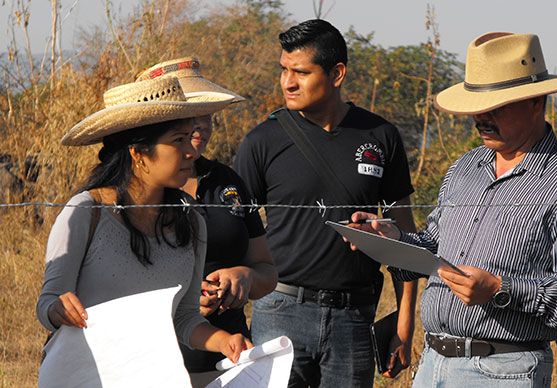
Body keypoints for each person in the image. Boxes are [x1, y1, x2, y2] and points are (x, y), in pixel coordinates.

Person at [347, 32, 557, 387]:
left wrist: (501, 288)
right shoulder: (465, 168)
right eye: (476, 108)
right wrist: (393, 237)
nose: (481, 118)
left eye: (495, 108)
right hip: (434, 363)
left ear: (535, 102)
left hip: (504, 370)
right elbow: (436, 246)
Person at [234, 19, 417, 387]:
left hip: (354, 319)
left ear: (337, 74)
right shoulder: (262, 141)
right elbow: (235, 236)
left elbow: (406, 238)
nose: (287, 82)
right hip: (279, 311)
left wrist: (405, 322)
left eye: (301, 72)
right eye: (284, 70)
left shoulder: (380, 136)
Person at [36, 76, 252, 386]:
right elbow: (47, 305)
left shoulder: (191, 221)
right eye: (178, 140)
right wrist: (59, 309)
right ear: (138, 153)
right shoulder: (86, 212)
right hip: (86, 377)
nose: (191, 151)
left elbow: (184, 318)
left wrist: (222, 341)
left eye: (190, 137)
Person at [136, 57, 278, 373]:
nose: (199, 125)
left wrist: (245, 277)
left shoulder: (228, 182)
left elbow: (267, 270)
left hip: (227, 359)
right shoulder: (131, 195)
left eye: (207, 115)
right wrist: (183, 299)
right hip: (151, 363)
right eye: (188, 115)